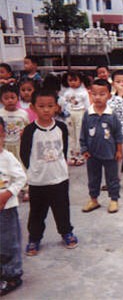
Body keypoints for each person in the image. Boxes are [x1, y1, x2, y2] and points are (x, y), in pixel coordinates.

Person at [20, 89, 78, 256]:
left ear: (57, 108)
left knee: (62, 209)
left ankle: (66, 232)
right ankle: (35, 238)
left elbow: (64, 149)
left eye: (50, 106)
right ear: (33, 107)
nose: (46, 110)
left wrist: (61, 168)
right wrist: (34, 171)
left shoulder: (61, 127)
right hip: (38, 181)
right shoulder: (30, 131)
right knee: (37, 212)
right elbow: (24, 154)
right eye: (41, 106)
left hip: (59, 178)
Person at [80, 79, 123, 214]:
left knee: (112, 178)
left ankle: (114, 200)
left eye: (102, 94)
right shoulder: (88, 114)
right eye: (94, 94)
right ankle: (94, 199)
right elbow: (83, 133)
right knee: (93, 177)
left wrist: (119, 150)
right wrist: (84, 149)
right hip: (92, 155)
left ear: (109, 95)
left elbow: (118, 134)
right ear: (90, 94)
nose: (98, 97)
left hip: (110, 153)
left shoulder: (112, 115)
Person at [0, 116, 27, 296]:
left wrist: (6, 195)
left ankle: (12, 275)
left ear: (3, 135)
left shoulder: (7, 157)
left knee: (9, 243)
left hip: (6, 210)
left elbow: (21, 178)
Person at [60, 72, 90, 166]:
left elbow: (87, 105)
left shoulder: (84, 92)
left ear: (80, 80)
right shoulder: (66, 92)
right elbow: (63, 103)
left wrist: (88, 116)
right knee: (70, 135)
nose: (72, 82)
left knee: (79, 135)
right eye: (70, 80)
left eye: (75, 80)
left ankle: (80, 156)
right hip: (69, 114)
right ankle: (71, 156)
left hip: (80, 113)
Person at [0, 84, 30, 162]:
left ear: (18, 98)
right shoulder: (0, 113)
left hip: (18, 145)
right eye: (6, 98)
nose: (10, 100)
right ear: (1, 101)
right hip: (4, 145)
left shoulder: (23, 114)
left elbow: (28, 127)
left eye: (12, 97)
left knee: (20, 164)